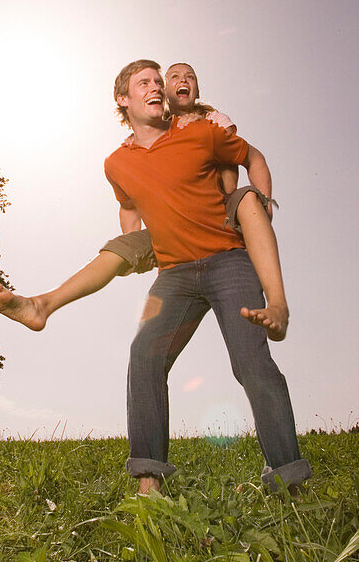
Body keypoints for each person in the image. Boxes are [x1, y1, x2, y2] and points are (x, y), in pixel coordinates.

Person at [101, 59, 309, 495]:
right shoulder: (121, 160)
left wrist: (262, 200)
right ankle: (148, 481)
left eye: (171, 79)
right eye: (151, 82)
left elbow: (251, 155)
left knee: (251, 362)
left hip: (227, 259)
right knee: (145, 354)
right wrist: (135, 242)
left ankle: (288, 481)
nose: (163, 86)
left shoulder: (203, 128)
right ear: (124, 98)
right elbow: (129, 203)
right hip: (174, 272)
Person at [0, 62, 290, 339]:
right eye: (170, 78)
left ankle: (278, 303)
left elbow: (243, 159)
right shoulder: (144, 138)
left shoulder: (207, 121)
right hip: (174, 235)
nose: (174, 83)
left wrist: (263, 202)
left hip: (219, 214)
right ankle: (42, 305)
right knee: (120, 248)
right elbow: (129, 203)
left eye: (189, 78)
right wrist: (133, 248)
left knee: (246, 198)